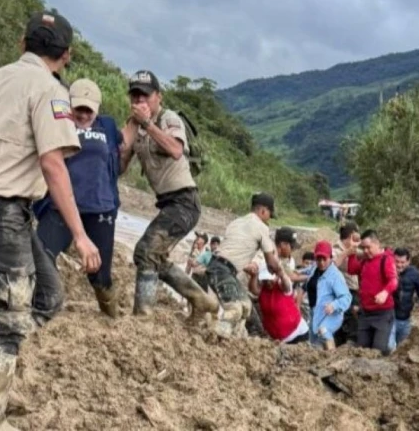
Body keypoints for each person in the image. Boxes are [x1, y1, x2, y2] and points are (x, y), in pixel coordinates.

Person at [0, 10, 101, 431]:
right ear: (66, 55)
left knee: (49, 294)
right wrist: (81, 236)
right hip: (2, 214)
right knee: (11, 321)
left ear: (22, 43)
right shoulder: (50, 91)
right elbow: (53, 163)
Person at [119, 70, 219, 319]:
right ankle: (200, 299)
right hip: (168, 204)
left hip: (185, 201)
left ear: (158, 97)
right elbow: (120, 166)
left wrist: (147, 124)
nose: (140, 101)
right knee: (153, 255)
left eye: (145, 95)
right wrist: (128, 134)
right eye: (135, 96)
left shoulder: (168, 118)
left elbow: (175, 149)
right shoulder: (135, 125)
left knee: (145, 251)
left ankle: (143, 315)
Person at [34, 78, 124, 318]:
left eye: (88, 110)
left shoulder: (107, 126)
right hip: (61, 206)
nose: (83, 115)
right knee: (40, 254)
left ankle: (111, 316)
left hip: (100, 209)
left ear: (97, 109)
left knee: (99, 276)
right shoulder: (57, 122)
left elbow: (122, 152)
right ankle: (42, 306)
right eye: (78, 109)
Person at [206, 192, 284, 338]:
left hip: (218, 266)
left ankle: (235, 336)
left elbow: (233, 248)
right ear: (263, 211)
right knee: (235, 309)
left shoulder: (235, 222)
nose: (269, 220)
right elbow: (271, 264)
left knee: (247, 306)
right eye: (269, 215)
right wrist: (281, 271)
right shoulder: (262, 227)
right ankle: (214, 334)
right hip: (222, 270)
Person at [245, 233, 309, 345]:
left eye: (270, 279)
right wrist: (254, 276)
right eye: (265, 279)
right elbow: (253, 289)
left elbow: (287, 282)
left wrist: (280, 272)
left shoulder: (282, 286)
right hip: (279, 339)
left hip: (298, 335)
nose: (268, 282)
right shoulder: (263, 289)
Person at [347, 229, 398, 356]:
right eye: (363, 248)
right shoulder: (365, 261)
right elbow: (352, 269)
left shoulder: (386, 259)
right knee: (361, 350)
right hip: (365, 313)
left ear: (377, 243)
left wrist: (385, 292)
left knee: (378, 350)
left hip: (382, 314)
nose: (365, 251)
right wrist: (352, 253)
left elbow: (394, 280)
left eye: (368, 247)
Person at [304, 241, 352, 351]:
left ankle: (332, 356)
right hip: (315, 313)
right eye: (318, 259)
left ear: (330, 258)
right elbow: (299, 273)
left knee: (324, 330)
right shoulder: (313, 269)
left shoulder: (335, 276)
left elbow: (347, 297)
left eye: (324, 259)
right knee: (315, 345)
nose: (321, 262)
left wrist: (334, 305)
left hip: (332, 314)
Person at [388, 248, 419, 350]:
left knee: (402, 349)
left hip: (405, 319)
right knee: (389, 347)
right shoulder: (387, 270)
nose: (399, 265)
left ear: (408, 261)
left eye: (402, 262)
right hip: (389, 318)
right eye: (397, 261)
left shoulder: (414, 274)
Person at [332, 221, 361, 345]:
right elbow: (331, 266)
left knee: (352, 318)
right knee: (346, 318)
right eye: (357, 235)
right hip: (343, 291)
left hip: (354, 290)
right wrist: (347, 253)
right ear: (351, 235)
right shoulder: (335, 250)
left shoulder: (356, 250)